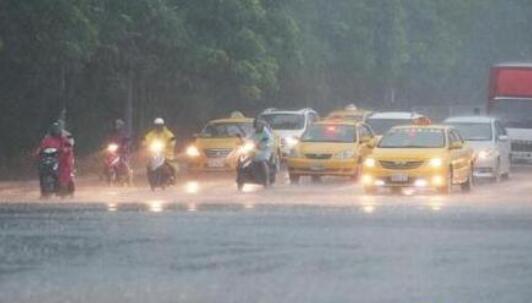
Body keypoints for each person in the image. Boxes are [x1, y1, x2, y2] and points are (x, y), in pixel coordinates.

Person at [37, 121, 75, 193]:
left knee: (65, 172)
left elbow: (68, 146)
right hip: (49, 159)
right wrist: (39, 152)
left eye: (57, 129)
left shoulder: (64, 138)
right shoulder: (47, 139)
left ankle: (65, 188)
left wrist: (65, 149)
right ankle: (44, 192)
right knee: (41, 172)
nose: (55, 131)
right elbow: (41, 147)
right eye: (54, 129)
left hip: (61, 159)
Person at [249, 118, 274, 186]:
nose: (258, 126)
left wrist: (263, 145)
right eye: (257, 124)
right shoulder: (254, 132)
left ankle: (266, 180)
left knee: (262, 161)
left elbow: (270, 142)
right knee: (245, 161)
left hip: (265, 150)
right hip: (255, 150)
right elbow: (249, 139)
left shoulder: (266, 133)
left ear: (262, 125)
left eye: (259, 124)